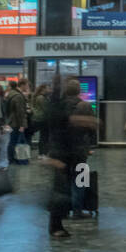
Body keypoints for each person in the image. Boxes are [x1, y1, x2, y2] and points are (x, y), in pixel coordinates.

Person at [45, 79, 97, 239]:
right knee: (80, 179)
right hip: (79, 148)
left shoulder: (58, 107)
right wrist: (90, 146)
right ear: (78, 91)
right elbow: (90, 128)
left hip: (60, 151)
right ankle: (78, 210)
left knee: (62, 183)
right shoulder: (84, 106)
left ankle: (63, 211)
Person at [4, 79, 29, 165]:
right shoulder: (18, 96)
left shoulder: (11, 94)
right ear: (22, 85)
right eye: (27, 85)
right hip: (16, 123)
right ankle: (13, 159)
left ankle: (11, 158)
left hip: (11, 121)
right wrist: (22, 125)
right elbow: (20, 112)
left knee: (12, 141)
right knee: (14, 141)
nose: (28, 87)